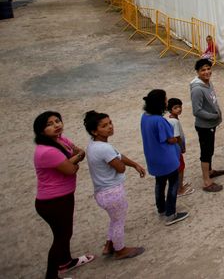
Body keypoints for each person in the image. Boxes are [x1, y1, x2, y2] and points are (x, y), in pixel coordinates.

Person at [33, 111, 95, 279]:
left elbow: (80, 152)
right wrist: (74, 161)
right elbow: (70, 169)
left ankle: (66, 262)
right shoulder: (46, 151)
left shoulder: (60, 140)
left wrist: (73, 159)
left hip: (63, 197)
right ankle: (51, 276)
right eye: (50, 124)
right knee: (61, 237)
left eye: (57, 121)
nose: (56, 125)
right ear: (40, 131)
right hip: (53, 201)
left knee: (65, 233)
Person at [83, 110, 146, 260]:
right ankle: (120, 250)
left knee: (114, 219)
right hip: (112, 192)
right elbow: (119, 166)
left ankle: (109, 245)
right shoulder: (104, 148)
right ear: (94, 131)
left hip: (101, 192)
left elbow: (117, 155)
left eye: (110, 123)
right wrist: (125, 166)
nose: (110, 127)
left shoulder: (93, 145)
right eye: (104, 126)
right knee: (119, 222)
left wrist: (134, 164)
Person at [140, 90, 189, 224]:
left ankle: (161, 208)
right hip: (166, 157)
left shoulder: (144, 117)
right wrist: (177, 141)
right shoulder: (159, 120)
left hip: (153, 156)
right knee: (173, 184)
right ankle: (170, 213)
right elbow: (170, 139)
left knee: (159, 183)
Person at [190, 58, 224, 192]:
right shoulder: (197, 89)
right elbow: (196, 111)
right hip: (204, 125)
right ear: (198, 72)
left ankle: (209, 170)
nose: (207, 72)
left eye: (208, 69)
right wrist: (213, 116)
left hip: (211, 124)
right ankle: (206, 181)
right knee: (206, 152)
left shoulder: (208, 83)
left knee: (210, 150)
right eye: (203, 70)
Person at [166, 99, 193, 196]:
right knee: (181, 167)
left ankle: (179, 185)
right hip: (176, 148)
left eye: (180, 107)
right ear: (170, 109)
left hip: (174, 149)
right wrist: (182, 147)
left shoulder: (170, 120)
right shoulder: (174, 122)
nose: (179, 109)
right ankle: (180, 189)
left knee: (179, 167)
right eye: (175, 108)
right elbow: (177, 137)